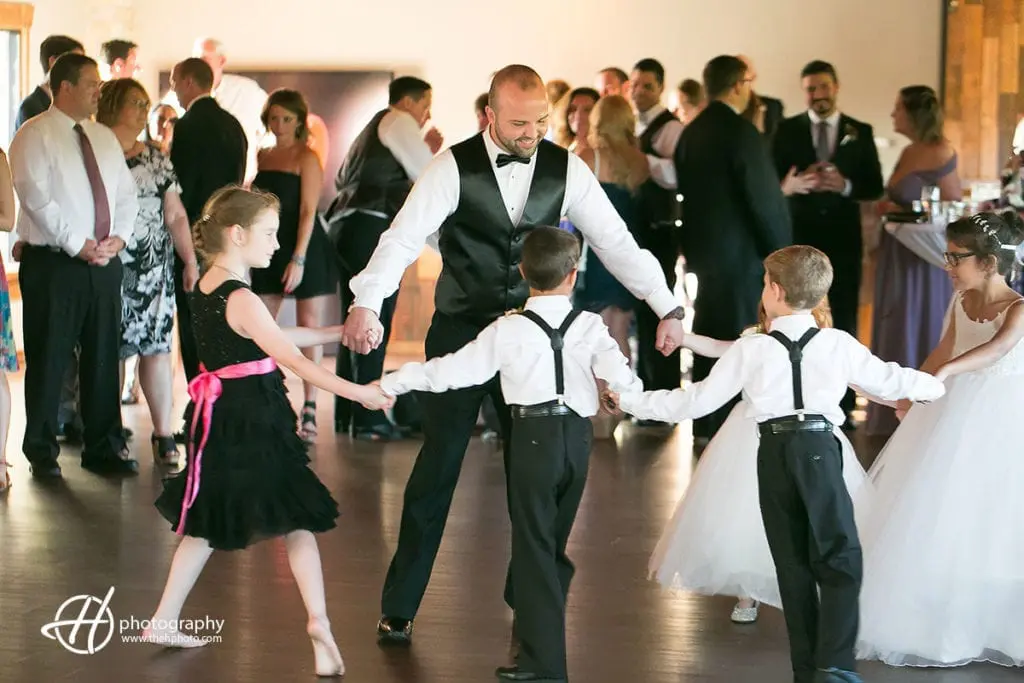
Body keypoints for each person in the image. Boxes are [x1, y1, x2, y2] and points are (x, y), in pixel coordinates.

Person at [339, 64, 684, 643]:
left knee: (536, 471)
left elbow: (616, 241)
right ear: (488, 116)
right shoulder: (451, 165)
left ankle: (527, 591)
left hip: (532, 338)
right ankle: (399, 605)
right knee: (437, 468)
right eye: (519, 123)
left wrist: (665, 304)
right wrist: (368, 303)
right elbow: (401, 237)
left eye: (541, 121)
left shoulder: (566, 167)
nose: (532, 134)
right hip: (460, 330)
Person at [609, 245, 946, 683]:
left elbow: (693, 402)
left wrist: (630, 400)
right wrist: (937, 387)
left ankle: (807, 669)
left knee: (791, 563)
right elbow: (890, 379)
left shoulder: (752, 349)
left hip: (771, 452)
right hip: (820, 451)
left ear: (774, 290)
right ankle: (836, 665)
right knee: (840, 555)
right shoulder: (837, 343)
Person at [142, 186, 392, 677]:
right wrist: (358, 392)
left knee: (210, 521)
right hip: (252, 417)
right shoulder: (242, 296)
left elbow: (270, 340)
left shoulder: (210, 284)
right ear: (237, 235)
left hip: (224, 417)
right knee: (295, 519)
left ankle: (164, 618)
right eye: (270, 234)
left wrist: (335, 332)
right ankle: (318, 622)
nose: (277, 245)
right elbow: (289, 358)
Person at [378, 227, 640, 682]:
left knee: (537, 547)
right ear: (573, 275)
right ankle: (541, 645)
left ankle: (545, 666)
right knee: (549, 543)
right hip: (577, 443)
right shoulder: (591, 326)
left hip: (534, 439)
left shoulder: (507, 329)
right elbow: (622, 379)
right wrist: (623, 398)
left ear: (522, 272)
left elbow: (451, 372)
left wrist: (393, 382)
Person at [855, 211, 1024, 669]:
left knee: (995, 518)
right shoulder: (960, 301)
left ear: (989, 262)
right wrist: (914, 386)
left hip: (1002, 423)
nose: (947, 266)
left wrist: (946, 374)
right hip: (953, 416)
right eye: (947, 257)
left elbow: (999, 348)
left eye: (956, 258)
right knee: (941, 509)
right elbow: (942, 351)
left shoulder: (1019, 307)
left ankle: (999, 622)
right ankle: (938, 615)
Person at [649, 300, 870, 626]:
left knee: (813, 514)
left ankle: (816, 588)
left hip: (809, 433)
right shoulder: (754, 340)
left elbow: (858, 379)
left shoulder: (826, 340)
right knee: (744, 512)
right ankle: (747, 592)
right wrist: (685, 338)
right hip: (750, 434)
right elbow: (718, 347)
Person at [10, 52, 139, 478]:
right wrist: (78, 244)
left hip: (104, 262)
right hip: (54, 264)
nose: (98, 92)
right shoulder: (34, 134)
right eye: (91, 84)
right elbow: (36, 198)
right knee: (49, 357)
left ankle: (103, 445)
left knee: (104, 357)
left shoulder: (102, 136)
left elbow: (125, 193)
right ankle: (42, 452)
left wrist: (118, 237)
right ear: (65, 86)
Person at [673, 55, 792, 444]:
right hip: (743, 257)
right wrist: (782, 252)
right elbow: (763, 200)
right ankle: (736, 429)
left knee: (709, 333)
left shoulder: (691, 132)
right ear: (739, 85)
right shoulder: (741, 133)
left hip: (705, 255)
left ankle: (707, 425)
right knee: (743, 338)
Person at [772, 60, 884, 428]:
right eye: (810, 89)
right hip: (799, 233)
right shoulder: (786, 130)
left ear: (836, 87)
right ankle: (795, 394)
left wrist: (845, 186)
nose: (817, 95)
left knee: (845, 316)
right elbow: (772, 178)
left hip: (843, 237)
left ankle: (845, 402)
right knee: (796, 314)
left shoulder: (860, 131)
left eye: (823, 87)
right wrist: (795, 183)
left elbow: (874, 185)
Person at [168, 57, 247, 398]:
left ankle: (199, 395)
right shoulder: (233, 125)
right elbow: (239, 182)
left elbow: (179, 188)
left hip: (194, 236)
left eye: (174, 82)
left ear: (188, 81)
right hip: (228, 238)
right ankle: (226, 389)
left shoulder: (186, 127)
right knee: (224, 313)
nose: (173, 90)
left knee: (191, 317)